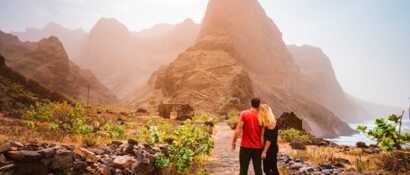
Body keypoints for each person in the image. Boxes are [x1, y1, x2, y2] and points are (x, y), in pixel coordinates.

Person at [232, 98, 263, 175]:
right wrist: (263, 148)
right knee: (258, 170)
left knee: (243, 170)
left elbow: (238, 129)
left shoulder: (244, 114)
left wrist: (234, 142)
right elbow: (263, 134)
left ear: (251, 103)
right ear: (259, 105)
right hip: (257, 148)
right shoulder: (261, 116)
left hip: (245, 147)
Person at [259, 104, 279, 175]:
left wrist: (264, 151)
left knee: (267, 169)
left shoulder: (270, 123)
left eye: (260, 111)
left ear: (264, 112)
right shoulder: (271, 121)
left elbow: (269, 140)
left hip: (270, 149)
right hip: (273, 147)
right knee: (273, 168)